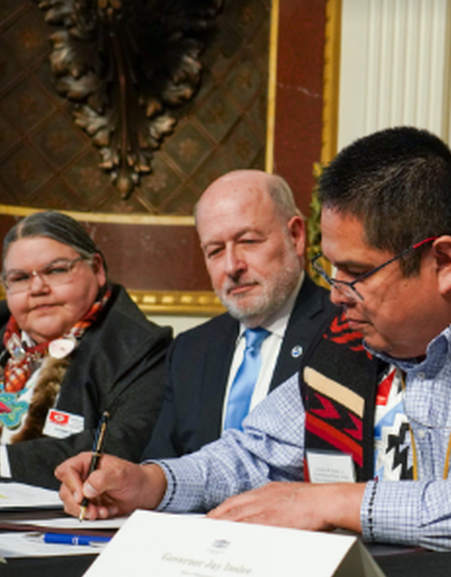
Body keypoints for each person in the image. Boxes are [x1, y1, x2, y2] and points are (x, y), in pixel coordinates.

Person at [57, 126, 451, 557]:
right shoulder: (354, 336)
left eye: (355, 273)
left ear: (444, 261)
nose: (334, 294)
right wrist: (154, 484)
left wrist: (336, 504)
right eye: (331, 271)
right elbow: (257, 452)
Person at [0, 211, 172, 486]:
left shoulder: (138, 346)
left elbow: (124, 446)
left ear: (97, 269)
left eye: (56, 270)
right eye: (20, 278)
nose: (37, 288)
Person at [141, 170, 330, 459]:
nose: (232, 266)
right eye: (215, 250)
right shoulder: (190, 350)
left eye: (249, 241)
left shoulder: (345, 331)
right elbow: (161, 468)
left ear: (296, 236)